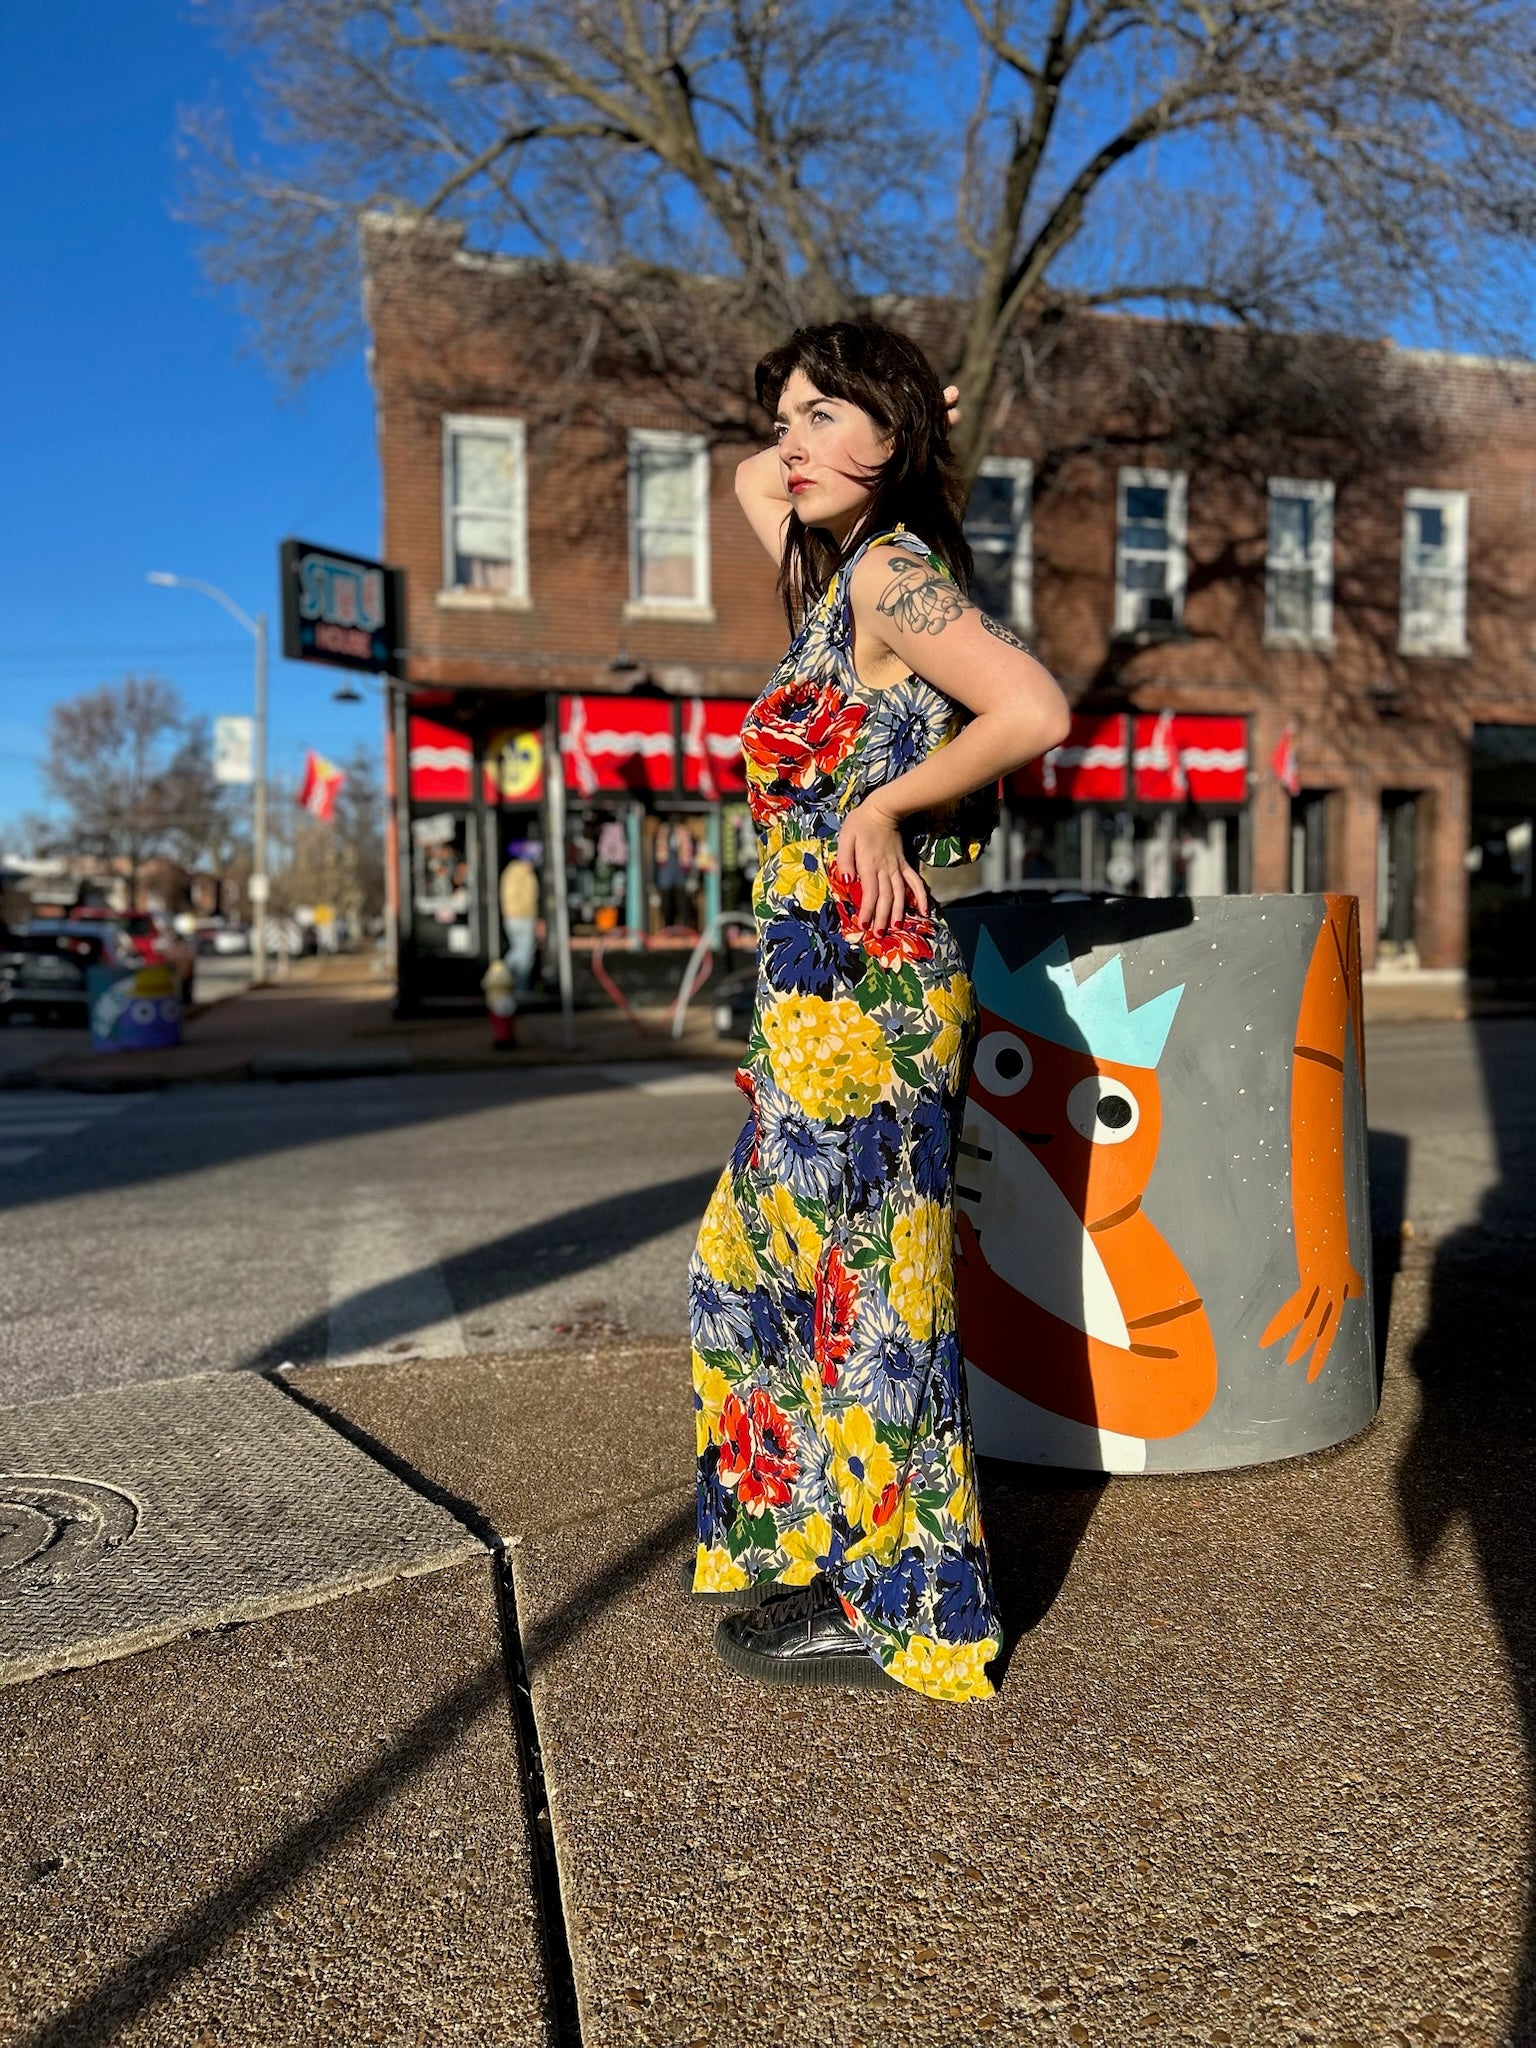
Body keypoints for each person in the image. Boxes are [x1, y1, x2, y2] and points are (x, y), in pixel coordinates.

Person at [686, 321, 1071, 1702]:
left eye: (820, 416)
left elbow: (1032, 705)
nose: (787, 442)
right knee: (744, 1274)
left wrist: (889, 803)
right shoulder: (839, 575)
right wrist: (863, 418)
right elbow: (750, 482)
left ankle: (910, 1613)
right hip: (809, 993)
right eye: (782, 412)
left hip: (872, 982)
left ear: (894, 448)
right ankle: (810, 1536)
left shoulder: (896, 575)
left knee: (875, 1305)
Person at [499, 853, 539, 991]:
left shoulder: (512, 873)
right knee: (524, 952)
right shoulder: (521, 874)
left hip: (516, 917)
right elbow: (526, 898)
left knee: (521, 950)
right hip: (521, 917)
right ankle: (511, 982)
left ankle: (508, 981)